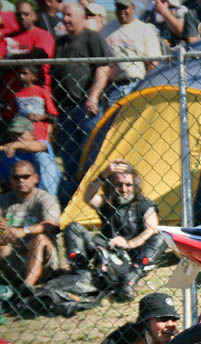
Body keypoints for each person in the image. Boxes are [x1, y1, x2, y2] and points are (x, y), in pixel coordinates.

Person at [63, 159, 166, 300]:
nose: (124, 189)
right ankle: (81, 274)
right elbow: (87, 197)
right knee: (73, 227)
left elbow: (151, 229)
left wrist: (128, 243)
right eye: (119, 185)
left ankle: (130, 281)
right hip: (106, 250)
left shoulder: (144, 204)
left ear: (135, 186)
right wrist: (102, 175)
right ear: (111, 185)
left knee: (161, 236)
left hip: (133, 255)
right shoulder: (107, 202)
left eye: (128, 185)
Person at [52, 2, 111, 204]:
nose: (65, 19)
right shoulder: (60, 42)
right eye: (63, 15)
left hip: (87, 109)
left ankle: (94, 201)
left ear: (81, 16)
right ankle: (73, 203)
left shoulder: (92, 37)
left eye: (68, 15)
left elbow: (103, 69)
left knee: (92, 158)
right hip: (65, 110)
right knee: (70, 160)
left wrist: (93, 96)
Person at [0, 160, 60, 294]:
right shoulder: (3, 201)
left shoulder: (46, 198)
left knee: (40, 238)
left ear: (35, 178)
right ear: (10, 179)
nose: (21, 180)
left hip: (43, 260)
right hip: (13, 255)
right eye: (16, 177)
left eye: (26, 176)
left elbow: (52, 225)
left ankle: (27, 287)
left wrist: (24, 231)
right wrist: (5, 233)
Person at [0, 1, 56, 126]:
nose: (22, 17)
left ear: (34, 16)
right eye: (19, 14)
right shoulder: (9, 37)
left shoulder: (43, 35)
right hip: (9, 101)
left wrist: (11, 60)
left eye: (26, 14)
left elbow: (39, 55)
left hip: (33, 101)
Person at [101, 0, 161, 105]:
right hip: (113, 87)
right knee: (114, 120)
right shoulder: (106, 30)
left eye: (125, 7)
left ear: (133, 8)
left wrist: (145, 85)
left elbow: (153, 63)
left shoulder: (144, 29)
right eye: (119, 7)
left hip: (137, 83)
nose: (121, 11)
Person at [1, 116, 62, 198]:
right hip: (21, 196)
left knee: (42, 157)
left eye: (20, 133)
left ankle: (46, 199)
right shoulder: (7, 154)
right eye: (13, 135)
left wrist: (16, 144)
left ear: (32, 134)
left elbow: (42, 146)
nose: (16, 137)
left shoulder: (41, 144)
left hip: (59, 191)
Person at [12, 64, 58, 144]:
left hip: (40, 131)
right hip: (23, 133)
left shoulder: (42, 92)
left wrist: (39, 117)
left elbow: (53, 115)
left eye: (24, 73)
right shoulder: (18, 94)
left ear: (34, 76)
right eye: (19, 73)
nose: (20, 76)